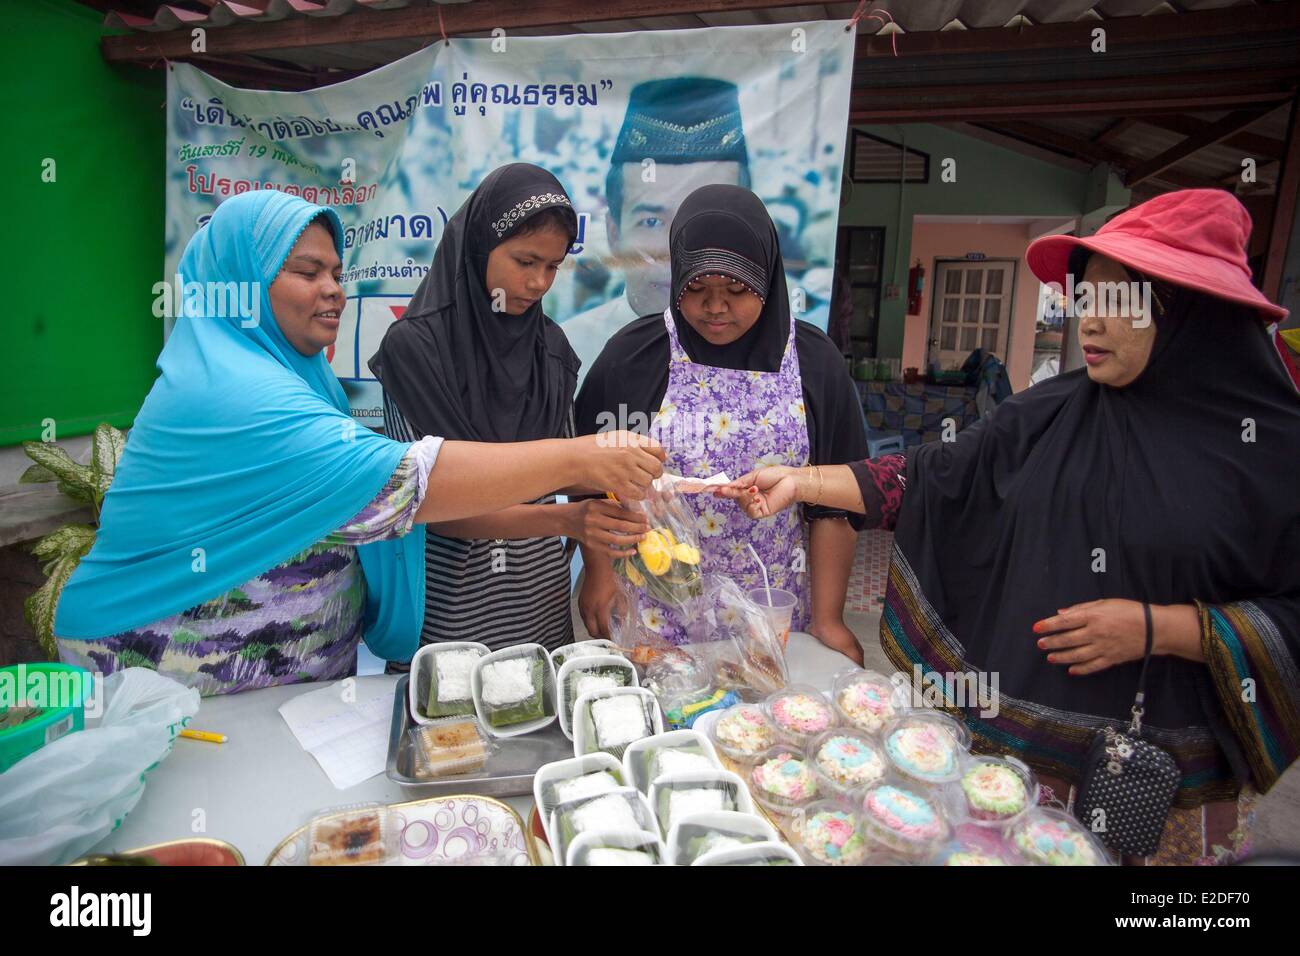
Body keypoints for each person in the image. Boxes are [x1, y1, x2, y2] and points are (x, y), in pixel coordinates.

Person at [719, 189, 1299, 864]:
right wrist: (801, 481)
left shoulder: (1270, 452)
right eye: (1088, 297)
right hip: (1023, 770)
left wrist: (1163, 629)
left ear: (1191, 314)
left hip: (1164, 782)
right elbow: (932, 476)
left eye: (1121, 302)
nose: (1091, 322)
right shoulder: (1050, 414)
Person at [54, 190, 664, 695]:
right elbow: (403, 486)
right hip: (170, 673)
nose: (334, 291)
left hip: (285, 685)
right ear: (239, 283)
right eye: (305, 272)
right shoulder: (233, 394)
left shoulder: (294, 373)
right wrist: (580, 462)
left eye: (337, 274)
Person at [576, 184, 870, 662]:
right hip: (653, 612)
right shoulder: (633, 357)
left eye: (737, 290)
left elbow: (835, 503)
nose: (715, 307)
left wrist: (829, 618)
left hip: (771, 613)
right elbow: (589, 477)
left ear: (768, 279)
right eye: (696, 289)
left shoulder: (815, 363)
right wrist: (600, 575)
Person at [368, 164, 648, 655]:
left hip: (537, 599)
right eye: (525, 261)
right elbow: (435, 506)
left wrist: (601, 561)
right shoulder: (414, 350)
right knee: (450, 722)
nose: (539, 282)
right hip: (446, 608)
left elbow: (575, 473)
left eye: (553, 266)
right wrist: (567, 521)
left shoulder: (551, 350)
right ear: (479, 246)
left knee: (539, 717)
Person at [561, 78, 751, 378]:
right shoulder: (565, 351)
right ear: (614, 233)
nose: (677, 254)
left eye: (708, 223)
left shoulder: (786, 360)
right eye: (651, 222)